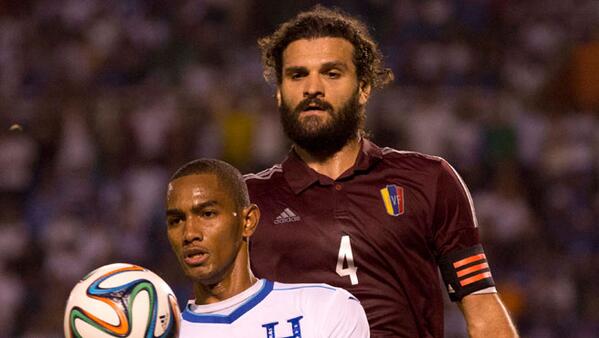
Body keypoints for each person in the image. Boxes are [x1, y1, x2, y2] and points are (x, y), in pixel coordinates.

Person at [244, 5, 519, 338]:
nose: (312, 88)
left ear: (364, 88)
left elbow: (483, 313)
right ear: (278, 92)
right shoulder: (246, 202)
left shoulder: (429, 180)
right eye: (297, 74)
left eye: (331, 73)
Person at [165, 158, 370, 337]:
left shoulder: (325, 308)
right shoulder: (168, 334)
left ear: (248, 221)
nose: (189, 234)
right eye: (176, 220)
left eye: (207, 214)